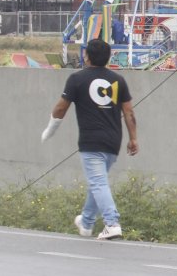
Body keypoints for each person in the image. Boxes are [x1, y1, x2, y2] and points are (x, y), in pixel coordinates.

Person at [40, 38, 138, 240]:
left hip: (91, 140)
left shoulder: (77, 79)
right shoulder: (118, 80)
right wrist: (133, 139)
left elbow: (60, 108)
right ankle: (86, 222)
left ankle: (112, 223)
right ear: (108, 56)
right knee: (98, 182)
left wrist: (50, 129)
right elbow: (129, 113)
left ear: (87, 56)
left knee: (98, 183)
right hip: (113, 141)